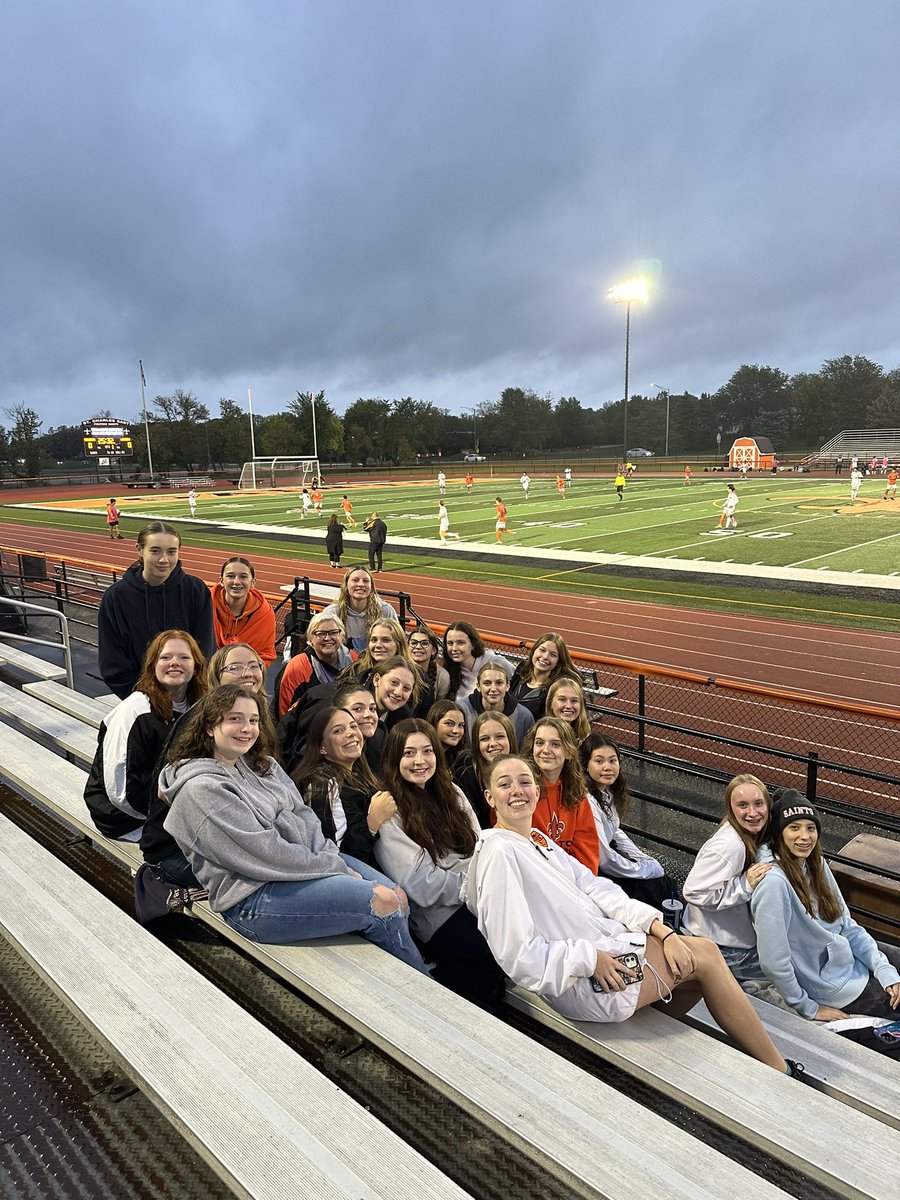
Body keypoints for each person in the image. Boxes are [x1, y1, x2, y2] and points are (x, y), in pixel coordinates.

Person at [463, 755, 799, 1078]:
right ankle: (778, 1069)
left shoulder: (537, 840)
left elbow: (596, 887)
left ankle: (650, 1039)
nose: (517, 791)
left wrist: (659, 929)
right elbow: (517, 954)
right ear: (490, 797)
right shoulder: (499, 852)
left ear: (537, 790)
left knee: (690, 966)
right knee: (707, 956)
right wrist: (589, 959)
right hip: (580, 979)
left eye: (524, 782)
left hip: (602, 953)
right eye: (505, 785)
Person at [160, 685, 427, 971]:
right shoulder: (201, 789)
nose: (247, 728)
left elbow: (305, 818)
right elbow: (264, 854)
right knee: (383, 902)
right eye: (234, 719)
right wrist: (332, 867)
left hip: (301, 867)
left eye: (252, 720)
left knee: (399, 896)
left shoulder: (264, 766)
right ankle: (425, 991)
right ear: (211, 727)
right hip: (253, 899)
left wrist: (329, 860)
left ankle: (395, 981)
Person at [374, 719, 504, 1005]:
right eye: (409, 753)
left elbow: (480, 848)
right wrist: (473, 883)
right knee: (492, 954)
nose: (419, 761)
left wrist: (481, 884)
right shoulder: (391, 810)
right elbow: (422, 886)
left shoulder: (453, 793)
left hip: (478, 900)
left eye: (427, 751)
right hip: (439, 917)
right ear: (394, 758)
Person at [137, 641, 266, 911]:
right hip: (178, 848)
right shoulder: (199, 721)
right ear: (216, 676)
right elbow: (168, 789)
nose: (248, 673)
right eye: (236, 667)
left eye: (254, 665)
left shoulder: (257, 715)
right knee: (264, 874)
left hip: (227, 835)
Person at [752, 792, 900, 1019]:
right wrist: (808, 1007)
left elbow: (847, 926)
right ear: (779, 833)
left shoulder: (815, 863)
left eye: (810, 828)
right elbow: (774, 962)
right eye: (794, 828)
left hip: (846, 960)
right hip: (831, 987)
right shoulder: (773, 883)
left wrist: (883, 968)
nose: (805, 836)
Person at [85, 630, 207, 839]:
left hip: (168, 803)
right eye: (165, 657)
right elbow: (121, 790)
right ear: (153, 666)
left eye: (184, 657)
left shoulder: (197, 705)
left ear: (196, 666)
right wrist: (172, 815)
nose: (175, 663)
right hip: (124, 816)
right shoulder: (134, 711)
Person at [682, 774, 784, 1001]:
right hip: (725, 949)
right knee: (786, 974)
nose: (753, 812)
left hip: (724, 941)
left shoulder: (745, 836)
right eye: (743, 805)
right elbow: (693, 891)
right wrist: (744, 885)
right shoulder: (730, 846)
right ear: (731, 808)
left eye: (759, 804)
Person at [98, 521, 215, 699]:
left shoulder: (195, 591)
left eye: (171, 552)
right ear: (139, 549)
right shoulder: (116, 597)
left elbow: (204, 651)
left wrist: (188, 695)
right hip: (138, 700)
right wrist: (143, 699)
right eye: (155, 551)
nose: (164, 560)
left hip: (188, 699)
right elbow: (113, 660)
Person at [291, 706, 396, 866]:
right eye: (338, 731)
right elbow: (338, 856)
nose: (351, 733)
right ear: (322, 747)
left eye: (353, 726)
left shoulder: (359, 773)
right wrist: (372, 822)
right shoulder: (323, 786)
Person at [581, 733, 675, 907]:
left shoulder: (607, 791)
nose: (608, 767)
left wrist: (641, 857)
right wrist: (643, 870)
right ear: (586, 765)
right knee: (656, 886)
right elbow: (606, 861)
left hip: (605, 861)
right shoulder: (588, 801)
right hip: (593, 871)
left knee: (663, 881)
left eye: (612, 760)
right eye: (599, 761)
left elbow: (615, 830)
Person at [521, 718, 599, 872]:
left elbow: (586, 845)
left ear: (569, 751)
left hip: (571, 878)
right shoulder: (521, 790)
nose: (545, 750)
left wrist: (582, 883)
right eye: (539, 743)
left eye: (555, 744)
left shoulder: (575, 791)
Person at [276, 610, 355, 717]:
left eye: (333, 633)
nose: (327, 638)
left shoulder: (353, 660)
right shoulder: (297, 667)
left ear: (342, 636)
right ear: (310, 639)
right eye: (321, 634)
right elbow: (286, 713)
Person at [211, 556, 276, 668]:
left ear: (253, 582)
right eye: (230, 576)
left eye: (243, 577)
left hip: (245, 677)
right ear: (221, 581)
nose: (236, 582)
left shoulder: (264, 614)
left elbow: (265, 654)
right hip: (204, 676)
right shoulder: (205, 604)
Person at [454, 711, 516, 827]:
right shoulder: (466, 776)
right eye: (484, 739)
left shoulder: (522, 771)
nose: (492, 743)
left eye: (500, 736)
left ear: (510, 739)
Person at [321, 566, 397, 652]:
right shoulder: (332, 613)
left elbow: (397, 642)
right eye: (355, 580)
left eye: (366, 581)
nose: (361, 584)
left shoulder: (386, 611)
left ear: (371, 586)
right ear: (346, 585)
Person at [457, 660, 534, 742]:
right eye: (487, 683)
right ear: (478, 686)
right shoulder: (462, 709)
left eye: (499, 683)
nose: (493, 689)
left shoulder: (524, 716)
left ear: (507, 686)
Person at [509, 632, 579, 717]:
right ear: (534, 650)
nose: (545, 657)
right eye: (542, 650)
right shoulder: (522, 668)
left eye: (553, 655)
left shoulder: (557, 688)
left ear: (558, 662)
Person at [442, 621, 513, 700]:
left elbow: (517, 684)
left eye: (460, 643)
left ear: (473, 644)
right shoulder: (450, 671)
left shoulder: (496, 662)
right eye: (450, 643)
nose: (454, 648)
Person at [408, 626, 450, 709]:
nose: (418, 647)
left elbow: (437, 710)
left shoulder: (442, 676)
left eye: (424, 643)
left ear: (434, 650)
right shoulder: (398, 669)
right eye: (413, 643)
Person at [427, 699, 470, 774]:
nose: (456, 731)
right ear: (434, 723)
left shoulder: (459, 759)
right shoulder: (425, 756)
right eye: (449, 724)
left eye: (461, 725)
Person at [546, 675, 591, 742]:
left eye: (574, 700)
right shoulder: (540, 735)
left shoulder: (586, 738)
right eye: (562, 699)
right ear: (550, 703)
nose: (568, 706)